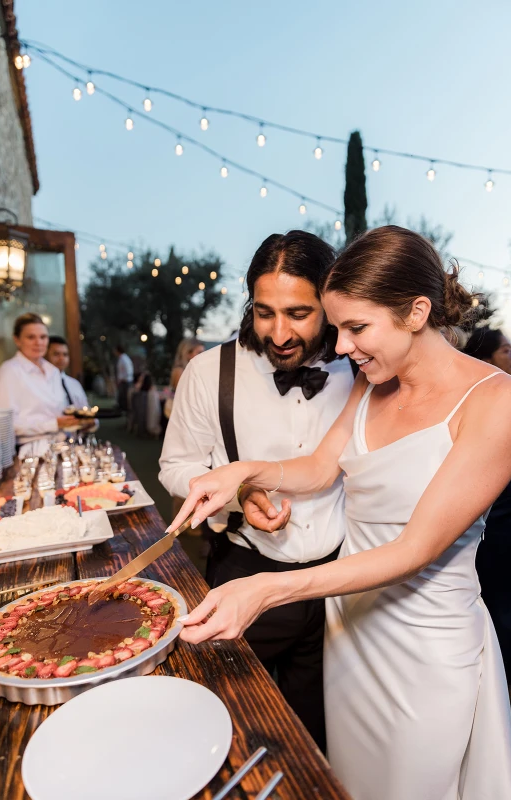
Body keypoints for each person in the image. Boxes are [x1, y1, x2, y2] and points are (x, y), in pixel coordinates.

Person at [169, 226, 511, 799]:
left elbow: (413, 551)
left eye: (356, 328)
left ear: (416, 311)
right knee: (350, 780)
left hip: (426, 644)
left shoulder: (497, 402)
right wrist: (242, 472)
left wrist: (265, 589)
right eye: (338, 330)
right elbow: (318, 469)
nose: (344, 347)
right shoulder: (372, 381)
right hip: (349, 627)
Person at [160, 231, 355, 751]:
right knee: (234, 730)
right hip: (244, 575)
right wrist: (238, 492)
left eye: (298, 313)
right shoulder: (209, 373)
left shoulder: (359, 367)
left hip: (338, 585)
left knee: (316, 734)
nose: (280, 331)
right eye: (265, 312)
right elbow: (174, 467)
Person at [463, 327, 511, 693]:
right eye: (504, 350)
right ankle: (504, 671)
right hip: (494, 522)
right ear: (485, 358)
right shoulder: (484, 401)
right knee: (499, 600)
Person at [0, 313, 75, 456]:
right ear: (17, 340)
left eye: (43, 337)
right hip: (29, 454)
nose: (39, 343)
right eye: (31, 337)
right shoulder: (8, 373)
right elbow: (6, 425)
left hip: (61, 447)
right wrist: (54, 424)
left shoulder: (52, 371)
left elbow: (55, 411)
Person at [163, 337, 205, 421]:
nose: (203, 355)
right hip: (179, 415)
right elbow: (185, 395)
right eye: (199, 352)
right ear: (188, 353)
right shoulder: (180, 371)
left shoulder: (190, 369)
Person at [114, 344, 134, 413]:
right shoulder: (122, 358)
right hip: (124, 380)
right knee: (122, 396)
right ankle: (121, 408)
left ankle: (124, 409)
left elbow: (128, 371)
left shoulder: (124, 359)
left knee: (124, 396)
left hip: (125, 380)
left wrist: (122, 379)